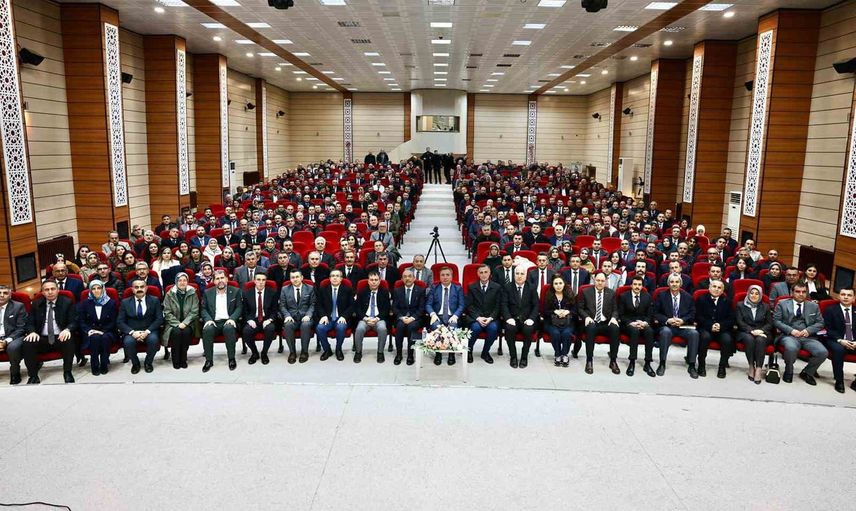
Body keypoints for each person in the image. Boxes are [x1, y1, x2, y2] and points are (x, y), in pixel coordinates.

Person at [23, 279, 78, 384]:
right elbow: (29, 323)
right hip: (42, 337)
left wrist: (68, 329)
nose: (50, 292)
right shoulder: (36, 304)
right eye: (46, 290)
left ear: (58, 290)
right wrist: (32, 332)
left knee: (69, 339)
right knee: (28, 342)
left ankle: (67, 372)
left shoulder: (67, 302)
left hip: (60, 336)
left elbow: (74, 321)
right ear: (42, 292)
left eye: (53, 289)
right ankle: (33, 376)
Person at [772, 282, 827, 385]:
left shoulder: (813, 306)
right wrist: (791, 330)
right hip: (789, 335)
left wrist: (808, 330)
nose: (801, 294)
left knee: (822, 352)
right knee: (791, 348)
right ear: (792, 292)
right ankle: (789, 371)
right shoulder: (782, 303)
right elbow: (776, 321)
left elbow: (820, 323)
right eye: (798, 291)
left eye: (803, 292)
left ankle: (807, 372)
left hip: (808, 336)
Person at [653, 274, 699, 378]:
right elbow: (655, 313)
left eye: (677, 282)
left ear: (681, 284)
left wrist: (683, 320)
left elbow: (692, 313)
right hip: (668, 326)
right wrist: (667, 320)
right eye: (672, 282)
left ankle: (692, 365)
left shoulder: (688, 297)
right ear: (668, 283)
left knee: (694, 334)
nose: (674, 284)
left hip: (682, 326)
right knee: (665, 332)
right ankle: (662, 363)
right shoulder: (661, 295)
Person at [578, 271, 621, 375]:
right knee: (591, 328)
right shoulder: (585, 292)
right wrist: (586, 317)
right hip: (592, 321)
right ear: (594, 280)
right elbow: (580, 308)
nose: (600, 283)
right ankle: (589, 361)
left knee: (615, 328)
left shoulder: (611, 293)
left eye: (602, 281)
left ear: (605, 281)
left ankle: (613, 361)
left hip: (605, 322)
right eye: (598, 280)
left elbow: (615, 309)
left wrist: (614, 318)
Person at [118, 279, 163, 375]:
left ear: (146, 288)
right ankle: (135, 363)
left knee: (153, 340)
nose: (139, 289)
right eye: (136, 287)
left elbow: (159, 319)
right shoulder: (125, 302)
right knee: (128, 342)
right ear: (132, 289)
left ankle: (148, 362)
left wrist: (147, 331)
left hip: (149, 330)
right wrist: (132, 332)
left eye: (142, 287)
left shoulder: (154, 300)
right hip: (132, 331)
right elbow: (120, 321)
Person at [200, 270, 243, 372]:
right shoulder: (207, 293)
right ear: (214, 281)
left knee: (229, 328)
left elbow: (239, 307)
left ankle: (231, 359)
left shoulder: (236, 291)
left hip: (228, 320)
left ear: (227, 279)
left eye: (222, 278)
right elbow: (203, 309)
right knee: (207, 330)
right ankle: (209, 360)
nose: (220, 281)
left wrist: (232, 319)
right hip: (214, 321)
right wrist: (208, 320)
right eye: (217, 279)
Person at [617, 275, 656, 377]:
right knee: (635, 331)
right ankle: (632, 361)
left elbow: (650, 314)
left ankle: (647, 363)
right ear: (631, 285)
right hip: (628, 324)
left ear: (642, 286)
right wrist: (631, 323)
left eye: (639, 285)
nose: (637, 287)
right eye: (635, 284)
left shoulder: (647, 297)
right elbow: (621, 315)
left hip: (642, 323)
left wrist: (645, 323)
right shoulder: (623, 296)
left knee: (650, 331)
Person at [425, 266, 465, 366]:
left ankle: (451, 353)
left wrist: (456, 315)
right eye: (442, 275)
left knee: (453, 328)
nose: (445, 277)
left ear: (452, 276)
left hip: (452, 316)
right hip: (437, 316)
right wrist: (432, 314)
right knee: (436, 327)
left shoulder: (458, 288)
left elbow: (461, 305)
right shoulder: (434, 288)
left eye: (447, 275)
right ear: (439, 276)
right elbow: (428, 304)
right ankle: (438, 353)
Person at [695, 280, 735, 378]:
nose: (716, 289)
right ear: (709, 288)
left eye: (719, 288)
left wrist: (720, 325)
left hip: (722, 329)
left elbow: (731, 319)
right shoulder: (701, 299)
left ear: (722, 291)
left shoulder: (727, 301)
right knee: (705, 337)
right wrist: (710, 325)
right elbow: (698, 317)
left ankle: (722, 366)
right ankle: (701, 365)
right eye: (714, 286)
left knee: (727, 339)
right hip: (705, 328)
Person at [500, 267, 539, 369]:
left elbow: (536, 305)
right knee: (509, 329)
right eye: (517, 273)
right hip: (512, 319)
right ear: (514, 275)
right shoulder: (508, 287)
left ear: (526, 276)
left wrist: (531, 319)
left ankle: (524, 357)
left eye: (522, 274)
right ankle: (513, 356)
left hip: (527, 319)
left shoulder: (531, 287)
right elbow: (504, 304)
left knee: (528, 329)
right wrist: (508, 318)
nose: (519, 276)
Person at [78, 279, 117, 376]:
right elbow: (82, 321)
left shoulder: (111, 303)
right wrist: (89, 330)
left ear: (103, 289)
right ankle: (94, 365)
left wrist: (103, 331)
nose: (96, 291)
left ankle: (104, 364)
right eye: (93, 288)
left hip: (107, 331)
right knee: (94, 338)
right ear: (90, 290)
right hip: (90, 332)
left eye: (98, 288)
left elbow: (114, 321)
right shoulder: (85, 304)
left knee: (104, 338)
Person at [821, 286, 856, 393]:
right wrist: (841, 340)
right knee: (838, 350)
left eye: (849, 295)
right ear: (839, 296)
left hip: (854, 341)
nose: (846, 297)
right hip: (835, 339)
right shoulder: (830, 310)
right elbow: (827, 328)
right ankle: (839, 381)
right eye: (843, 294)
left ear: (854, 298)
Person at [464, 264, 501, 364]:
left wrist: (491, 318)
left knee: (493, 328)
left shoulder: (497, 287)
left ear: (490, 273)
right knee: (475, 328)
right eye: (481, 272)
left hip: (491, 318)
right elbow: (469, 305)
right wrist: (478, 317)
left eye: (486, 272)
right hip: (476, 317)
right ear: (478, 274)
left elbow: (498, 306)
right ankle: (469, 351)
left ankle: (485, 352)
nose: (484, 274)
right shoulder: (472, 287)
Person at [735, 284, 772, 384]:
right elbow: (739, 322)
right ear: (748, 293)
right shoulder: (740, 305)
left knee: (760, 340)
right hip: (745, 332)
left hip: (762, 332)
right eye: (752, 293)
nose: (754, 295)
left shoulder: (765, 306)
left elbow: (770, 323)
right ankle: (751, 366)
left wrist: (761, 331)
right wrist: (751, 331)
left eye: (757, 294)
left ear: (760, 295)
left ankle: (759, 369)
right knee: (749, 339)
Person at [162, 272, 200, 370]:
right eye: (180, 280)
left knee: (186, 332)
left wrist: (185, 323)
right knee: (177, 332)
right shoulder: (169, 294)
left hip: (189, 323)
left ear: (187, 281)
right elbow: (167, 312)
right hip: (172, 323)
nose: (182, 282)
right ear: (176, 282)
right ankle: (175, 359)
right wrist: (178, 324)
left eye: (184, 280)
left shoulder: (193, 293)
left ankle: (183, 359)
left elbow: (194, 311)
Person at [315, 269, 354, 361]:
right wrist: (323, 315)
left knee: (341, 327)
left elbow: (352, 306)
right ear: (329, 278)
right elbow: (318, 305)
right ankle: (327, 349)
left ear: (341, 278)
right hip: (327, 318)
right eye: (333, 276)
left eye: (337, 276)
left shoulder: (347, 290)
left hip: (341, 317)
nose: (335, 278)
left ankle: (338, 349)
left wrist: (344, 316)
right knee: (320, 328)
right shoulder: (323, 289)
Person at [353, 271, 391, 363]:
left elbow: (386, 309)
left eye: (376, 280)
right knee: (359, 329)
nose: (374, 282)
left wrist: (377, 318)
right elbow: (357, 308)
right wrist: (365, 318)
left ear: (379, 281)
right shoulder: (362, 292)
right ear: (368, 281)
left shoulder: (384, 292)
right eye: (371, 280)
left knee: (382, 328)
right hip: (365, 318)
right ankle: (358, 352)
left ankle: (380, 352)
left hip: (379, 318)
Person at [242, 273, 278, 365]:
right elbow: (244, 310)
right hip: (253, 319)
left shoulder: (272, 292)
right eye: (258, 280)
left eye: (263, 280)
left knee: (270, 328)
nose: (261, 282)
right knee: (246, 331)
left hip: (267, 318)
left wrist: (270, 320)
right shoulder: (247, 293)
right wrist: (249, 320)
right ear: (254, 281)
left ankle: (264, 353)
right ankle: (254, 353)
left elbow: (275, 310)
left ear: (266, 281)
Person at [280, 268, 316, 363]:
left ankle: (304, 352)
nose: (295, 279)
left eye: (297, 277)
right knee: (287, 325)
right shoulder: (284, 289)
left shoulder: (310, 288)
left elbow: (313, 304)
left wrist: (308, 315)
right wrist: (287, 316)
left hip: (305, 316)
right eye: (292, 277)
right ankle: (292, 352)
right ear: (290, 279)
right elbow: (282, 305)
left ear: (302, 277)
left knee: (305, 325)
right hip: (291, 317)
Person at [392, 269, 426, 366]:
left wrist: (412, 318)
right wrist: (401, 317)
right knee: (400, 326)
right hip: (402, 317)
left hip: (415, 318)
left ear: (414, 278)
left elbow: (422, 308)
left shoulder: (420, 290)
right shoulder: (397, 290)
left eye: (410, 276)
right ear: (402, 279)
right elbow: (394, 307)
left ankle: (410, 355)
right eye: (405, 277)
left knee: (411, 327)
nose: (407, 278)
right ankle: (399, 354)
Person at [543, 274, 575, 368]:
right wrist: (554, 311)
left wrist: (567, 311)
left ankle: (564, 355)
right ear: (552, 285)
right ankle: (557, 354)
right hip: (551, 322)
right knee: (555, 333)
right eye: (556, 283)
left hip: (568, 322)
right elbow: (545, 311)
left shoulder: (570, 294)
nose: (558, 285)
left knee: (566, 333)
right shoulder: (549, 295)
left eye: (560, 283)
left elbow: (575, 310)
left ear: (564, 284)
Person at [0, 285, 29, 385]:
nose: (2, 295)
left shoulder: (18, 306)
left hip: (14, 337)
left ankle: (15, 372)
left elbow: (21, 328)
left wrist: (6, 341)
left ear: (10, 295)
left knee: (12, 348)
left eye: (5, 293)